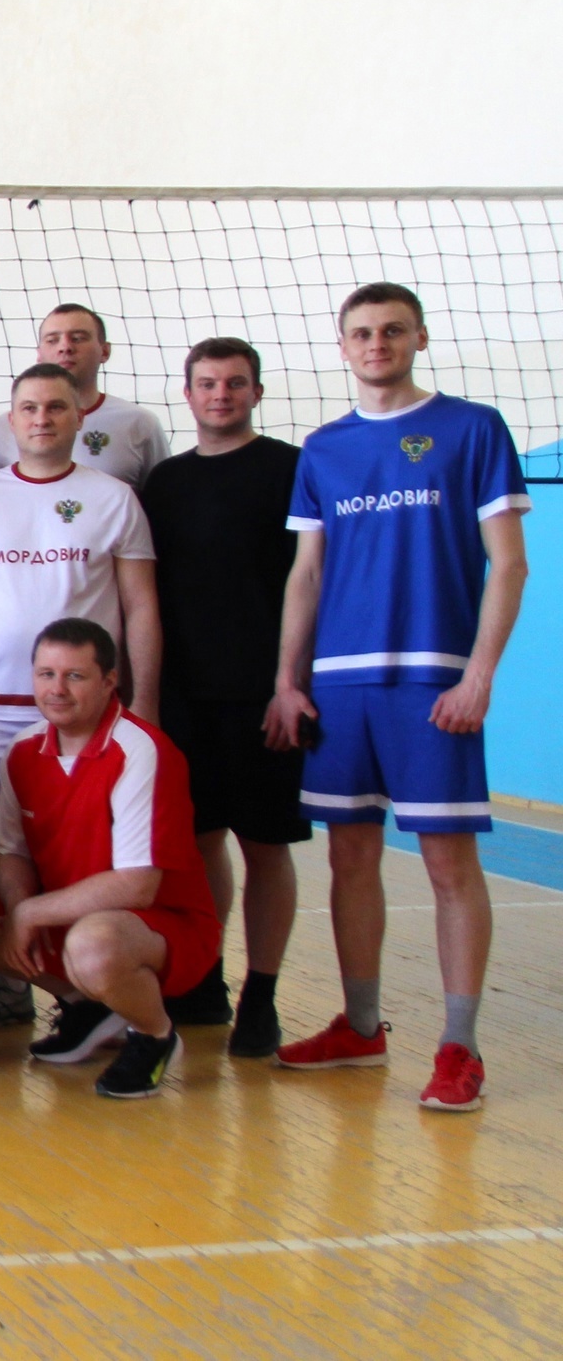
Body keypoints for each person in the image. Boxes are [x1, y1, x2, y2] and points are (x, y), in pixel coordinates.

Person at [265, 283, 530, 1113]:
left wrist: (479, 675)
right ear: (342, 346)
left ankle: (460, 1045)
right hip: (341, 686)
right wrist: (287, 680)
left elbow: (510, 562)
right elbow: (307, 574)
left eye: (391, 330)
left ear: (418, 337)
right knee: (349, 859)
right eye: (362, 333)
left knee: (449, 864)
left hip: (432, 680)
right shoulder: (324, 449)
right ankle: (361, 1026)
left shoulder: (473, 428)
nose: (376, 344)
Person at [0, 362, 160, 1033]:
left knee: (90, 847)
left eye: (56, 406)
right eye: (29, 407)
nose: (42, 418)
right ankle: (10, 985)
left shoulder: (114, 498)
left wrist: (144, 703)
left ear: (80, 417)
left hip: (85, 714)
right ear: (12, 419)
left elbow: (141, 607)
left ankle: (97, 987)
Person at [139, 337, 307, 1054]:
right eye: (207, 384)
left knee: (265, 845)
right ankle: (205, 978)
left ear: (256, 393)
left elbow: (309, 584)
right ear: (188, 395)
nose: (221, 395)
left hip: (264, 696)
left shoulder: (291, 470)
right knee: (200, 842)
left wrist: (291, 684)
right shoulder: (165, 482)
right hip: (184, 697)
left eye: (235, 383)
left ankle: (261, 995)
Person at [0, 619, 221, 1099]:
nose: (57, 689)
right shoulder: (22, 749)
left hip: (159, 927)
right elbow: (10, 851)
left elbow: (137, 885)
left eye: (75, 676)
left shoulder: (141, 750)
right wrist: (17, 907)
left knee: (92, 946)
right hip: (69, 915)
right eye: (46, 674)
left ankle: (154, 1034)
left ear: (109, 681)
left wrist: (29, 914)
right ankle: (87, 1007)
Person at [0, 304, 169, 488]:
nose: (65, 347)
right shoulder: (5, 427)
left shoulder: (140, 423)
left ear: (105, 351)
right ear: (39, 354)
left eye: (78, 338)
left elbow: (163, 498)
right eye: (53, 340)